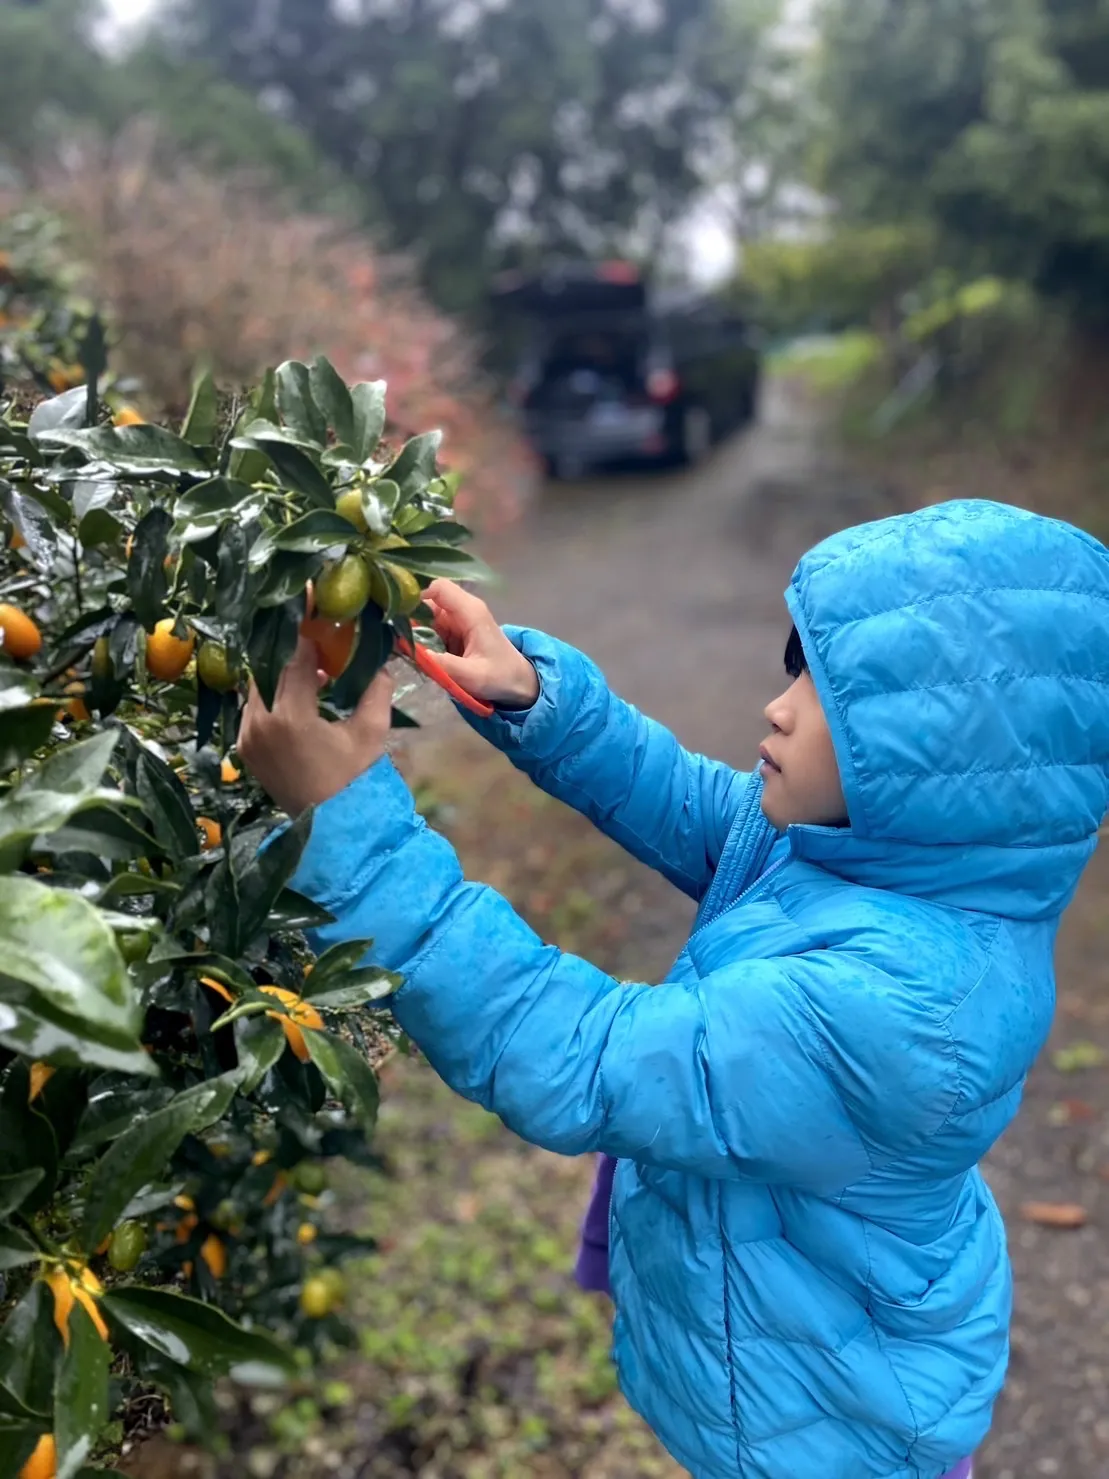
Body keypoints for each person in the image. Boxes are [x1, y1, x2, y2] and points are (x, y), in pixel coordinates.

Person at [238, 499, 1109, 1479]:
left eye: (826, 696)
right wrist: (533, 699)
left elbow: (571, 1052)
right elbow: (701, 811)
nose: (776, 707)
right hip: (790, 1335)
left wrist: (346, 827)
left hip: (826, 1428)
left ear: (945, 774)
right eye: (793, 668)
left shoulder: (900, 1012)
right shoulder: (872, 856)